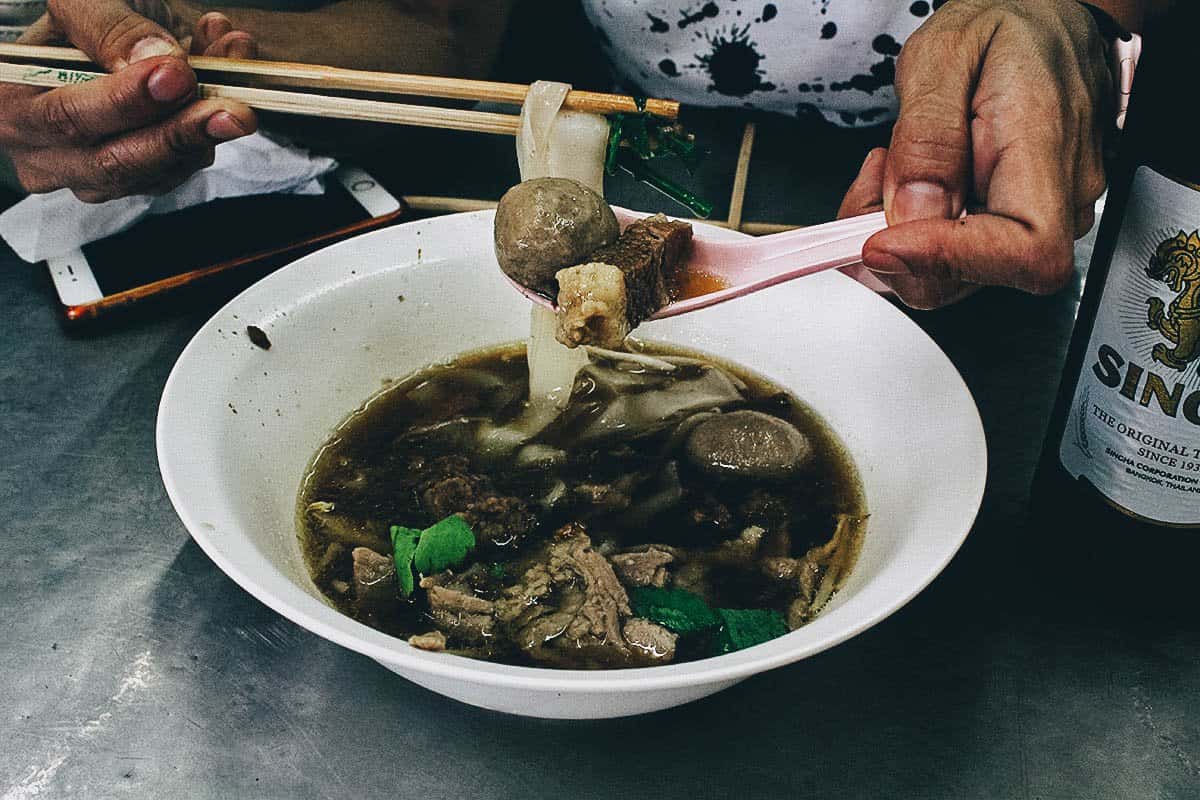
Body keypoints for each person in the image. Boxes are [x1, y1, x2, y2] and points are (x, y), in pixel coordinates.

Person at [0, 0, 1149, 308]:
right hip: (649, 144)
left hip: (989, 157)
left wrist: (1068, 16)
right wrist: (208, 62)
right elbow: (443, 32)